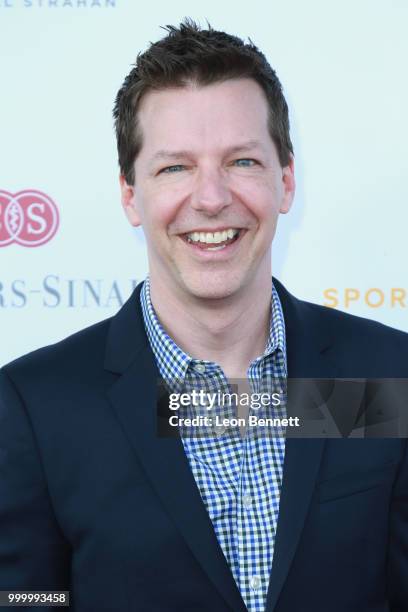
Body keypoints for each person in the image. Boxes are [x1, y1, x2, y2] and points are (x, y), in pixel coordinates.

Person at [0, 19, 407, 612]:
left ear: (286, 181)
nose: (211, 197)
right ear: (128, 193)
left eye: (241, 161)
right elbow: (26, 600)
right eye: (174, 167)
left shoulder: (387, 373)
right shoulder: (35, 408)